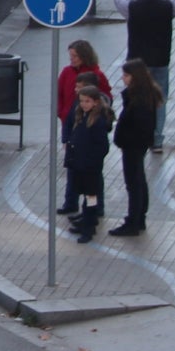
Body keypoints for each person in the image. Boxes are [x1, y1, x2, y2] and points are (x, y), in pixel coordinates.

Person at [113, 0, 175, 120]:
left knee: (136, 98)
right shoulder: (167, 8)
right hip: (160, 60)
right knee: (159, 99)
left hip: (136, 63)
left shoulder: (131, 8)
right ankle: (157, 137)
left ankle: (140, 132)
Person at [110, 62, 160, 235]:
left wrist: (126, 139)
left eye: (126, 75)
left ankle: (133, 221)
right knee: (138, 180)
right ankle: (139, 218)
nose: (123, 79)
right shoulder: (143, 95)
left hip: (133, 145)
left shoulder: (139, 99)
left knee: (134, 183)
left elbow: (139, 124)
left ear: (135, 77)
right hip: (136, 144)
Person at [63, 78, 114, 242]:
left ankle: (89, 226)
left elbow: (102, 147)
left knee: (91, 198)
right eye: (82, 101)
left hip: (89, 168)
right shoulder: (82, 116)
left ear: (96, 102)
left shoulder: (97, 122)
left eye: (87, 101)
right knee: (85, 195)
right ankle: (86, 220)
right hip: (80, 165)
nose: (84, 104)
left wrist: (91, 162)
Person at [56, 37, 111, 135]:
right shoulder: (66, 72)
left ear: (84, 56)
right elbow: (59, 94)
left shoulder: (97, 74)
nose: (71, 59)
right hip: (68, 120)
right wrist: (62, 113)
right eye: (70, 56)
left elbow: (106, 97)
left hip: (90, 121)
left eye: (75, 56)